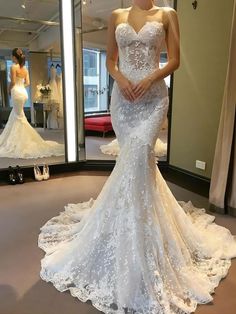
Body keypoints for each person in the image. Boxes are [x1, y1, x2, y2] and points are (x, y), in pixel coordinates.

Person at [38, 1, 236, 313]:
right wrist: (120, 79)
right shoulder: (117, 15)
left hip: (153, 98)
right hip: (123, 99)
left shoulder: (167, 14)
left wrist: (150, 78)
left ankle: (147, 239)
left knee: (140, 155)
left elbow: (175, 60)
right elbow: (111, 61)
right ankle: (123, 228)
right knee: (135, 165)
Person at [0, 48, 64, 159]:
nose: (11, 58)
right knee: (18, 116)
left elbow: (13, 82)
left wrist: (10, 90)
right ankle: (21, 138)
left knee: (18, 116)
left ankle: (19, 141)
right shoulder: (24, 69)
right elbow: (28, 83)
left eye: (11, 56)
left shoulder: (13, 67)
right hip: (23, 93)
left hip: (16, 92)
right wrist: (20, 88)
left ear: (14, 57)